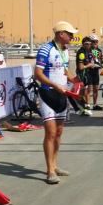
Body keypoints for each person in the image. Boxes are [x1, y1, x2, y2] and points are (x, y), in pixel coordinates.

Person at [35, 21, 79, 184]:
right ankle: (50, 171)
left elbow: (65, 71)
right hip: (48, 94)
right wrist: (55, 85)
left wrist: (76, 81)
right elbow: (38, 74)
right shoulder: (45, 49)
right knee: (51, 132)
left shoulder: (65, 50)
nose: (72, 37)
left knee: (59, 132)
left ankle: (54, 164)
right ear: (61, 34)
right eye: (70, 34)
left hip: (62, 94)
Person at [75, 37, 97, 117]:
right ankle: (82, 108)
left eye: (90, 44)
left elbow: (91, 60)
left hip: (88, 73)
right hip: (82, 74)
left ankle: (86, 106)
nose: (89, 45)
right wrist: (89, 65)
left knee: (88, 91)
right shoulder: (81, 53)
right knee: (82, 92)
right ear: (83, 44)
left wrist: (92, 64)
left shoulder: (89, 51)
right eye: (86, 44)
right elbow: (81, 67)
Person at [88, 34, 103, 111]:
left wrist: (100, 63)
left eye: (96, 41)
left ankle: (95, 104)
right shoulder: (87, 50)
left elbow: (100, 61)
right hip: (88, 72)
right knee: (89, 89)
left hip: (96, 71)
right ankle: (87, 105)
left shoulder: (99, 51)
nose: (95, 43)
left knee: (96, 89)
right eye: (93, 41)